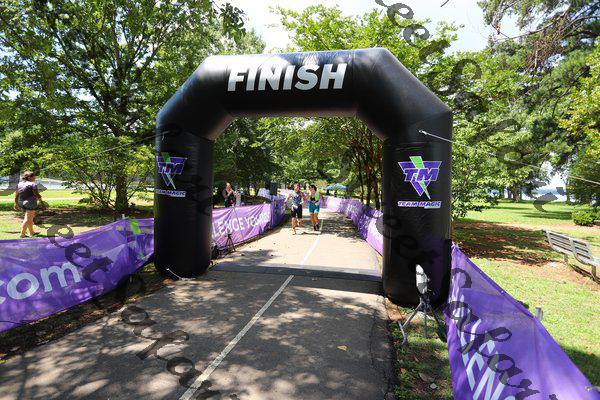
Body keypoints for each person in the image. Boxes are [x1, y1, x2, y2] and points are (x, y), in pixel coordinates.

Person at [13, 171, 43, 238]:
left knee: (30, 217)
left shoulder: (19, 184)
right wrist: (42, 203)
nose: (35, 177)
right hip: (30, 203)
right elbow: (37, 195)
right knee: (27, 218)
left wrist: (16, 203)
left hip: (21, 203)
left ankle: (32, 232)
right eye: (34, 176)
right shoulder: (33, 184)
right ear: (29, 177)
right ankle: (22, 233)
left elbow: (16, 195)